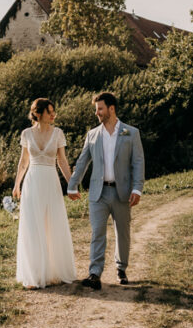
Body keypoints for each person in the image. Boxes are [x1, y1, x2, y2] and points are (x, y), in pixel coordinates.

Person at [67, 92, 145, 290]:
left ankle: (121, 269)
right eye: (96, 109)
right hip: (98, 193)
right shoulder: (92, 135)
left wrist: (137, 188)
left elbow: (138, 162)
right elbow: (83, 162)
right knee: (97, 233)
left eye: (100, 109)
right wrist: (72, 184)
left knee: (123, 232)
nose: (97, 113)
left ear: (111, 109)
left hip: (123, 192)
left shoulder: (131, 133)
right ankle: (95, 274)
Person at [13, 98, 77, 288]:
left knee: (52, 224)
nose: (53, 114)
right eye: (49, 111)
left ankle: (54, 271)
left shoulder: (58, 133)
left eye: (53, 111)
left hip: (51, 181)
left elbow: (62, 162)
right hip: (32, 182)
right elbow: (23, 162)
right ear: (38, 114)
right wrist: (17, 184)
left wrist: (71, 184)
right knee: (33, 226)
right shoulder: (26, 134)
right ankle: (35, 274)